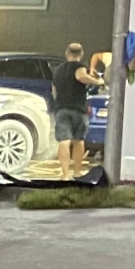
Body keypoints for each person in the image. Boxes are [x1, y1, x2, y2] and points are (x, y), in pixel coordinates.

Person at [50, 41, 95, 177]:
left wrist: (59, 102)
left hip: (62, 109)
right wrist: (98, 81)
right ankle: (76, 171)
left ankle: (65, 175)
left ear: (66, 53)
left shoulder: (58, 70)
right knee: (78, 141)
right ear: (80, 54)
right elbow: (81, 76)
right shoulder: (80, 66)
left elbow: (54, 91)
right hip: (78, 109)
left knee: (64, 141)